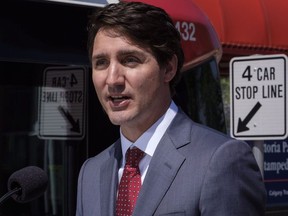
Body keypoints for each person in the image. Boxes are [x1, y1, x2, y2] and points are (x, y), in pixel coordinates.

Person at [76, 1, 266, 215]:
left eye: (130, 60)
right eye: (101, 63)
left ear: (169, 68)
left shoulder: (222, 160)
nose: (112, 79)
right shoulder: (90, 172)